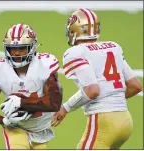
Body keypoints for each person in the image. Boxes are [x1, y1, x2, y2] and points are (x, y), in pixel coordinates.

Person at [51, 8, 142, 149]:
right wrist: (113, 99)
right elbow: (135, 86)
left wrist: (65, 108)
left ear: (75, 29)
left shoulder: (75, 52)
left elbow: (92, 90)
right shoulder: (113, 47)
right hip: (125, 120)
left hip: (104, 121)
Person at [0, 24, 62, 149]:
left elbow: (54, 103)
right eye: (12, 48)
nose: (16, 53)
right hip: (15, 128)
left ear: (32, 48)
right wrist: (4, 121)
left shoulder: (45, 65)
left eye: (22, 48)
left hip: (41, 129)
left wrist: (21, 102)